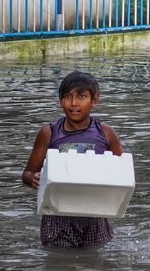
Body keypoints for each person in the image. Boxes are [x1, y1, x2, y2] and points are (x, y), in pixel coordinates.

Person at [22, 71, 124, 248]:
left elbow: (121, 173)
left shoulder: (106, 133)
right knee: (59, 264)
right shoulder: (49, 133)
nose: (74, 103)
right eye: (67, 97)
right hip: (57, 216)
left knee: (96, 263)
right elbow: (27, 173)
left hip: (95, 214)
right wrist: (34, 178)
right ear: (61, 100)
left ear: (94, 101)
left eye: (81, 96)